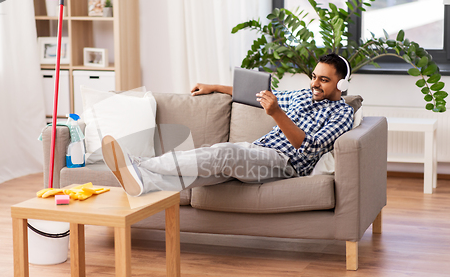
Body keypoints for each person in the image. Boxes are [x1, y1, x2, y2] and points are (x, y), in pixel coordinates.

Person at [101, 53, 354, 196]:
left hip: (285, 164)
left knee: (224, 152)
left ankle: (139, 163)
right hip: (258, 152)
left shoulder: (342, 114)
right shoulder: (301, 95)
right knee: (212, 172)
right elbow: (258, 94)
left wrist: (276, 113)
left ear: (341, 84)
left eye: (323, 80)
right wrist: (215, 87)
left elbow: (308, 147)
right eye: (313, 77)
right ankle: (143, 183)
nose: (314, 84)